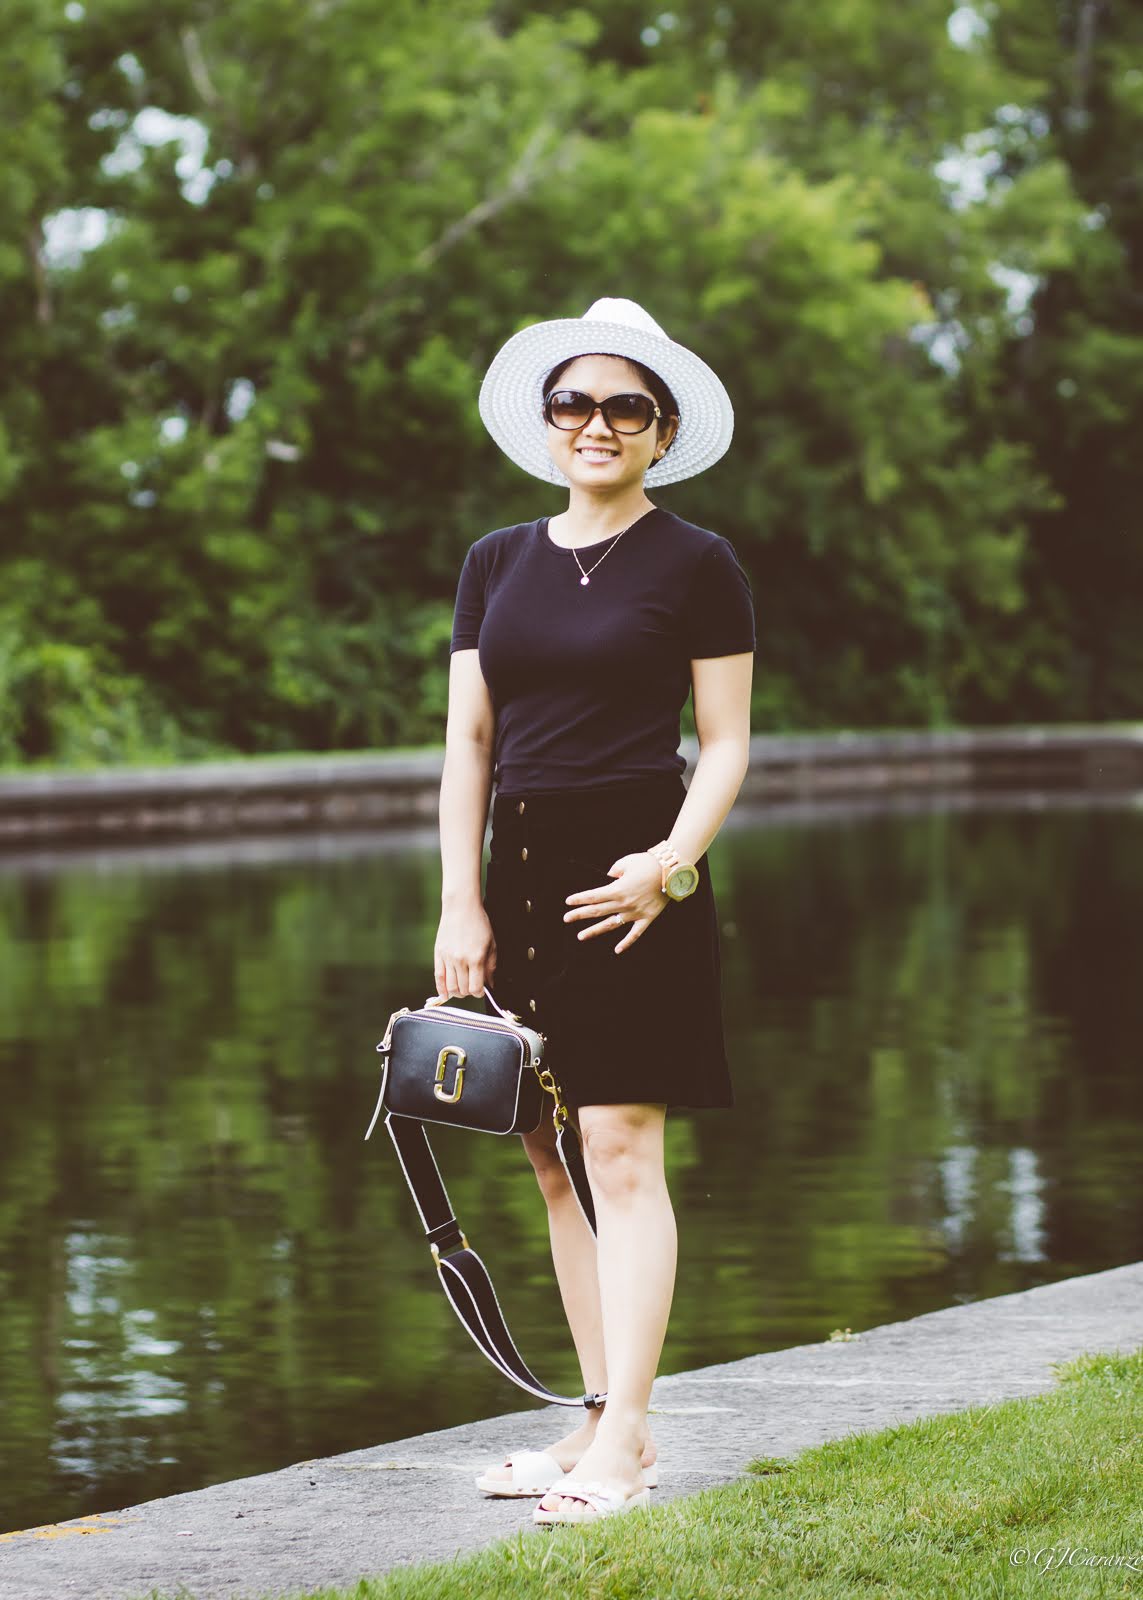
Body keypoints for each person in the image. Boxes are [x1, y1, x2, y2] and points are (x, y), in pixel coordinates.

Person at [436, 297, 755, 1526]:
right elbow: (470, 741)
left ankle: (629, 1436)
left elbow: (723, 744)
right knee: (553, 1156)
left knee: (620, 1148)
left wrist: (671, 862)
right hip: (515, 871)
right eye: (577, 402)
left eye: (627, 406)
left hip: (636, 872)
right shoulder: (494, 561)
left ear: (661, 431)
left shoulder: (699, 562)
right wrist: (461, 898)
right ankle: (591, 1422)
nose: (599, 423)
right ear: (546, 420)